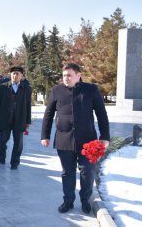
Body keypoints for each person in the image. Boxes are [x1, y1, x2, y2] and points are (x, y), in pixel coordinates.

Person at [41, 63, 110, 214]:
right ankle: (68, 201)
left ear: (78, 76)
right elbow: (48, 114)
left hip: (88, 141)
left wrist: (105, 136)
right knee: (67, 172)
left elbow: (101, 114)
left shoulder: (91, 90)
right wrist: (45, 135)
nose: (66, 78)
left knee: (87, 171)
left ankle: (85, 200)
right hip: (64, 139)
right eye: (64, 75)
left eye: (69, 75)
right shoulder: (56, 90)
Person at [0, 66, 31, 170]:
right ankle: (2, 156)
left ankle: (14, 162)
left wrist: (27, 121)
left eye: (17, 74)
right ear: (10, 75)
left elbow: (28, 106)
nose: (15, 75)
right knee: (2, 141)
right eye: (13, 73)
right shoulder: (2, 87)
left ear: (22, 76)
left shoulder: (26, 88)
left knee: (18, 143)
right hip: (5, 119)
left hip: (19, 119)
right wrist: (1, 114)